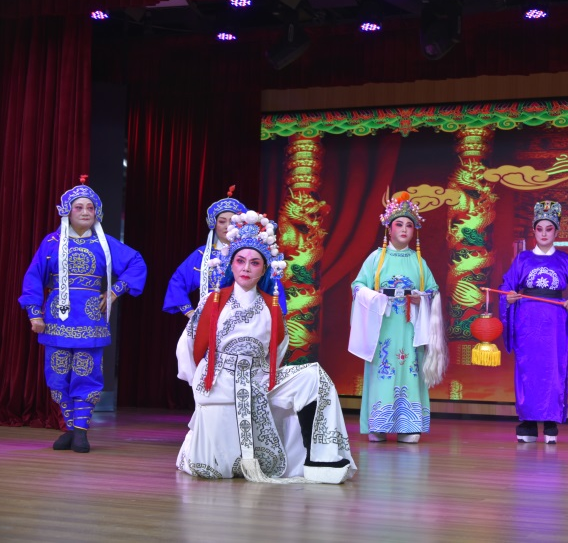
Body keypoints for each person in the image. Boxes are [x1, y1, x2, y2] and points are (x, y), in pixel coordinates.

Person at [176, 209, 355, 484]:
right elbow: (188, 346)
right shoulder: (213, 302)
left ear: (264, 269)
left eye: (254, 263)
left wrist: (259, 378)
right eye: (240, 261)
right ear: (231, 265)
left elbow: (278, 351)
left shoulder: (271, 307)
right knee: (213, 469)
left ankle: (322, 459)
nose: (246, 268)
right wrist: (200, 385)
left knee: (313, 377)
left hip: (259, 381)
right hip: (220, 382)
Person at [19, 177, 147, 453]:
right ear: (67, 211)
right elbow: (33, 277)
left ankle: (81, 431)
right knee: (57, 376)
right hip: (57, 319)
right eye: (79, 207)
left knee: (86, 374)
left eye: (90, 207)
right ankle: (69, 428)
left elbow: (136, 263)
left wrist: (114, 291)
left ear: (97, 212)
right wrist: (34, 313)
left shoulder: (105, 244)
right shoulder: (51, 242)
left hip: (90, 320)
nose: (85, 212)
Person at [348, 192, 448, 444]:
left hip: (409, 326)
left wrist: (421, 299)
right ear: (389, 229)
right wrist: (375, 298)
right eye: (399, 224)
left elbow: (433, 290)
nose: (404, 229)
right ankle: (378, 425)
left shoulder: (418, 261)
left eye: (409, 225)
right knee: (382, 371)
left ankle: (409, 425)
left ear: (414, 231)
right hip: (383, 325)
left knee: (410, 369)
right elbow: (358, 286)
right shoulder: (376, 259)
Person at [499, 200, 568, 444]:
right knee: (527, 369)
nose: (544, 234)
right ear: (534, 231)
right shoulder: (522, 260)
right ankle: (528, 422)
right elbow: (507, 286)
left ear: (556, 231)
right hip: (526, 322)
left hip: (555, 322)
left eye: (549, 229)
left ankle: (551, 421)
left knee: (554, 368)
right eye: (539, 229)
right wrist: (508, 297)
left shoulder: (565, 261)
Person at [164, 186, 287, 317]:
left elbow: (274, 286)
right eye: (222, 221)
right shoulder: (202, 254)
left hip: (247, 318)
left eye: (232, 221)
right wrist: (190, 313)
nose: (227, 226)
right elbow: (178, 282)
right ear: (214, 224)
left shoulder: (253, 253)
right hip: (210, 318)